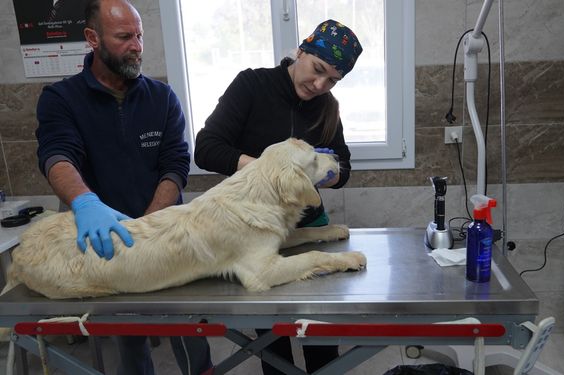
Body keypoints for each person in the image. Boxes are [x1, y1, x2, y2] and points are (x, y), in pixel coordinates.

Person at [35, 0, 213, 374]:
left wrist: (149, 224)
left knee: (190, 329)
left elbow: (176, 164)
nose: (136, 45)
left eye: (139, 36)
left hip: (165, 234)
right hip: (109, 241)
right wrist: (84, 202)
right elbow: (57, 155)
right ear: (92, 38)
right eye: (123, 37)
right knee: (129, 338)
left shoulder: (161, 98)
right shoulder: (61, 99)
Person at [194, 19, 362, 374]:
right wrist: (267, 173)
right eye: (317, 70)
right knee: (272, 338)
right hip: (256, 231)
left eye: (332, 80)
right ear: (300, 51)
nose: (320, 85)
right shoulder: (252, 85)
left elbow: (343, 167)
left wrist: (323, 172)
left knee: (319, 333)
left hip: (309, 225)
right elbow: (206, 148)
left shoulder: (327, 107)